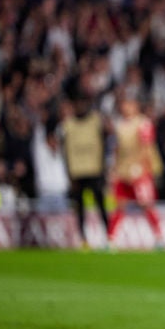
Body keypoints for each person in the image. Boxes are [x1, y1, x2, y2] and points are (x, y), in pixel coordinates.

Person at [108, 95, 163, 246]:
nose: (125, 107)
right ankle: (111, 239)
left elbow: (147, 147)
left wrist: (143, 168)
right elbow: (118, 149)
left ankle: (159, 238)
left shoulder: (143, 123)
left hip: (140, 171)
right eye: (124, 104)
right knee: (120, 205)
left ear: (135, 105)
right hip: (123, 170)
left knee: (146, 204)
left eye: (128, 103)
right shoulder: (119, 125)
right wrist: (115, 168)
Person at [60, 93, 111, 245]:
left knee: (100, 204)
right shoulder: (68, 125)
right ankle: (83, 238)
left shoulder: (95, 120)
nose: (81, 107)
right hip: (77, 171)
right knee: (80, 207)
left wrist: (103, 169)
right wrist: (69, 173)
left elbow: (105, 143)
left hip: (94, 170)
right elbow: (65, 151)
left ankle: (109, 236)